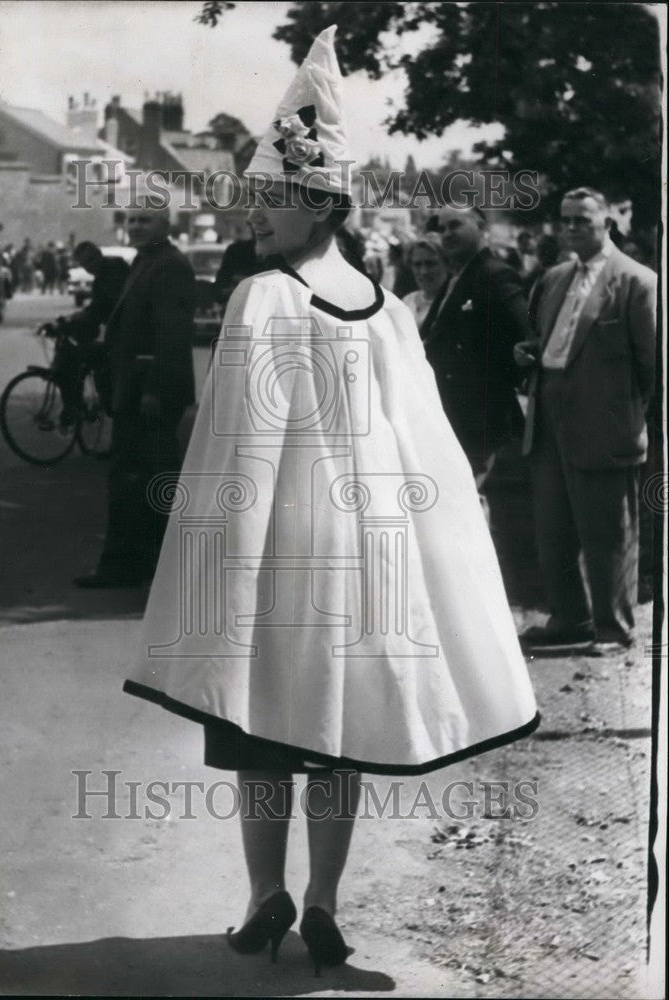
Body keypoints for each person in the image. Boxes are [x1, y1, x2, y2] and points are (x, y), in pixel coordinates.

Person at [124, 27, 538, 975]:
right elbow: (417, 434)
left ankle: (265, 896)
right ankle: (321, 902)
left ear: (316, 206)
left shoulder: (263, 296)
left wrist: (207, 546)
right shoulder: (382, 303)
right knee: (339, 723)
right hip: (366, 547)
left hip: (279, 547)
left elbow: (237, 437)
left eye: (268, 201)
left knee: (261, 719)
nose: (254, 218)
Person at [515, 187, 656, 655]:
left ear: (607, 223)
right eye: (566, 219)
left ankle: (614, 627)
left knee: (607, 531)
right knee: (553, 526)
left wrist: (630, 417)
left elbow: (652, 365)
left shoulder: (638, 281)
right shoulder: (554, 278)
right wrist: (531, 353)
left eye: (583, 220)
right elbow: (554, 341)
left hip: (605, 420)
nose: (572, 227)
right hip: (550, 413)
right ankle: (569, 618)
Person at [75, 205, 196, 588]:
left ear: (167, 225)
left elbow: (171, 335)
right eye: (132, 220)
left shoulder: (170, 266)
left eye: (146, 220)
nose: (137, 226)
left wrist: (153, 390)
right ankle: (134, 567)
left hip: (150, 392)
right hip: (135, 388)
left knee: (147, 482)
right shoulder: (145, 262)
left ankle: (147, 570)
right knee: (134, 481)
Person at [420, 206, 531, 494]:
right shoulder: (458, 278)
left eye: (455, 225)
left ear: (482, 229)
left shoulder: (494, 275)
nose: (446, 234)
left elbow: (527, 340)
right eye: (442, 229)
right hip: (454, 418)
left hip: (483, 422)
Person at [56, 241, 131, 416]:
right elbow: (96, 308)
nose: (88, 267)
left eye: (90, 261)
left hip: (124, 339)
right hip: (116, 335)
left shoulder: (114, 271)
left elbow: (102, 308)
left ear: (99, 255)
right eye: (84, 265)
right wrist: (74, 319)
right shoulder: (103, 275)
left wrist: (73, 321)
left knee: (80, 358)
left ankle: (98, 404)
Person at [401, 233, 450, 328]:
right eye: (417, 264)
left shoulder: (452, 302)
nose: (424, 272)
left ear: (446, 264)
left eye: (431, 264)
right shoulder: (408, 301)